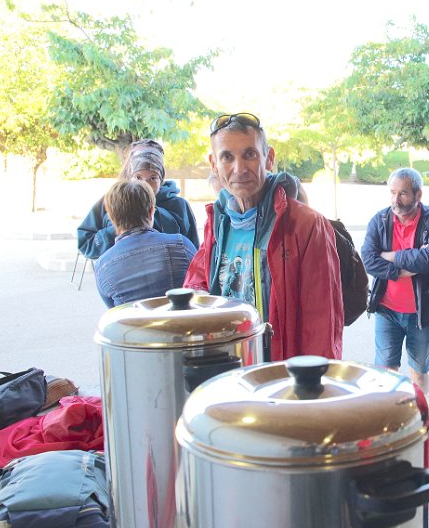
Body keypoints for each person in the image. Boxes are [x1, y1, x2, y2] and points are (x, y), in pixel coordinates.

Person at [183, 113, 343, 360]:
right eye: (227, 157)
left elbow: (322, 324)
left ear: (269, 158)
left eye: (250, 154)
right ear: (214, 164)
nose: (239, 169)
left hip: (280, 372)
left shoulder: (307, 225)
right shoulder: (218, 223)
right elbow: (197, 282)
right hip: (227, 366)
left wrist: (312, 380)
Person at [362, 168, 429, 394]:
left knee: (418, 372)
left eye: (403, 193)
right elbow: (368, 261)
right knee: (386, 372)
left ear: (418, 195)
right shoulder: (379, 220)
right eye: (392, 192)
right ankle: (390, 413)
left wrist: (391, 256)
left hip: (422, 313)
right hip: (386, 310)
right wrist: (404, 269)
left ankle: (418, 412)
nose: (396, 199)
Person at [77, 140, 200, 259]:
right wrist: (120, 228)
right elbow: (86, 243)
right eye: (138, 177)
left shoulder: (179, 206)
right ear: (130, 176)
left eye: (153, 178)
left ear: (161, 179)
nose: (145, 185)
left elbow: (195, 255)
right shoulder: (112, 200)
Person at [94, 180, 196, 308]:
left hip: (133, 321)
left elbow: (115, 311)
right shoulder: (180, 245)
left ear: (111, 217)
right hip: (179, 320)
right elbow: (201, 288)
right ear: (151, 211)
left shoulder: (103, 265)